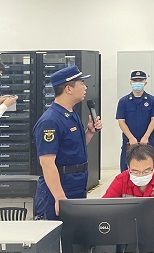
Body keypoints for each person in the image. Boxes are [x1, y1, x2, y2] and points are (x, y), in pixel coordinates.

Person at [33, 66, 102, 220]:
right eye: (81, 83)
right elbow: (47, 163)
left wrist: (89, 132)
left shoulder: (71, 114)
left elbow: (73, 148)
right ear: (68, 89)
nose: (85, 87)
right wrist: (60, 197)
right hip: (60, 188)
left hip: (76, 184)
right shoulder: (51, 120)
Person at [103, 144, 154, 220]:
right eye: (135, 171)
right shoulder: (121, 179)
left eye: (146, 171)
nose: (141, 175)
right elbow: (102, 208)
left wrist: (144, 216)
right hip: (131, 224)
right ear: (128, 168)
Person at [116, 70, 154, 172]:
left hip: (147, 141)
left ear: (145, 83)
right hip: (129, 141)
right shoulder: (123, 101)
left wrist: (146, 136)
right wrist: (131, 137)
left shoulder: (152, 100)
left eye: (140, 81)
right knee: (126, 169)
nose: (137, 83)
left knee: (148, 168)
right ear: (130, 82)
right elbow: (121, 121)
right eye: (135, 80)